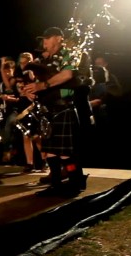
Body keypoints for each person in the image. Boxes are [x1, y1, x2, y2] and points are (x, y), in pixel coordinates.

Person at [21, 27, 85, 196]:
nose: (44, 42)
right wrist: (30, 91)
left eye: (48, 38)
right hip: (48, 109)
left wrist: (42, 86)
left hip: (63, 106)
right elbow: (36, 81)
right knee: (50, 151)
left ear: (59, 38)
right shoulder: (44, 60)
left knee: (65, 152)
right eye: (43, 39)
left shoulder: (69, 54)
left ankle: (75, 184)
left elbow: (67, 74)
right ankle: (55, 185)